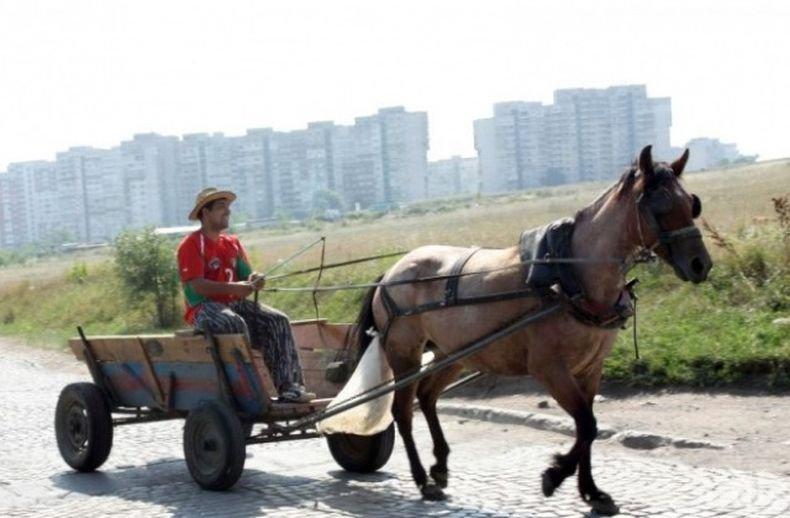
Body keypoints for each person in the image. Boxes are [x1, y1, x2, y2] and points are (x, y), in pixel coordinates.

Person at [177, 187, 315, 403]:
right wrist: (235, 288)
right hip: (203, 308)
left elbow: (246, 276)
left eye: (228, 207)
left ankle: (290, 387)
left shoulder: (232, 243)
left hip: (234, 305)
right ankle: (248, 392)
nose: (228, 211)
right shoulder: (191, 245)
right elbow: (197, 286)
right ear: (205, 213)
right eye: (221, 207)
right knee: (233, 322)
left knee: (278, 320)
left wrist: (255, 279)